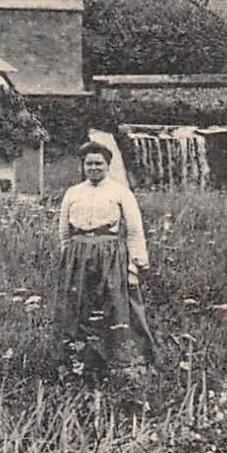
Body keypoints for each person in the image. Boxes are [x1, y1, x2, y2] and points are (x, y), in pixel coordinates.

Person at [55, 141, 156, 376]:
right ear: (83, 166)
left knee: (116, 305)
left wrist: (134, 267)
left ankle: (123, 361)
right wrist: (68, 260)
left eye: (98, 163)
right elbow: (64, 231)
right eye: (89, 163)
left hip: (110, 256)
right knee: (78, 306)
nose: (94, 168)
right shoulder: (73, 193)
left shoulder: (120, 192)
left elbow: (134, 231)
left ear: (107, 165)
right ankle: (78, 360)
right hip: (78, 256)